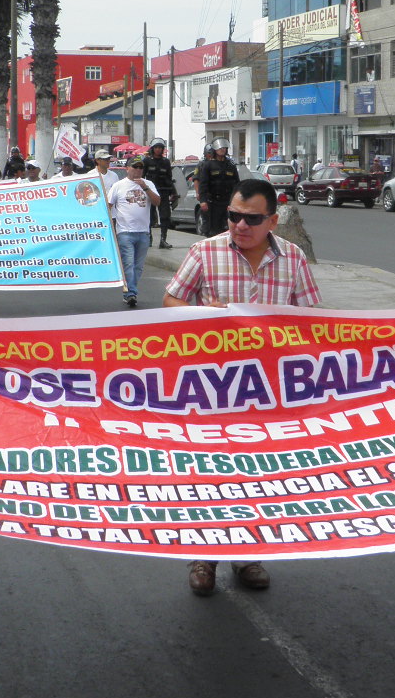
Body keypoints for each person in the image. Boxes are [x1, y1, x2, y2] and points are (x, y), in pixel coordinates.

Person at [164, 178, 321, 595]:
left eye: (251, 218)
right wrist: (202, 314)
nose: (239, 225)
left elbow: (312, 320)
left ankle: (247, 553)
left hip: (270, 390)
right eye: (234, 216)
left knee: (255, 471)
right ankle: (203, 557)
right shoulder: (205, 252)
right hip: (212, 388)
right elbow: (171, 303)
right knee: (211, 472)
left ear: (272, 220)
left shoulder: (293, 258)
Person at [107, 157, 159, 307]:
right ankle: (131, 293)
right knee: (128, 263)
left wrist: (145, 188)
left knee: (138, 266)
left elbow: (157, 202)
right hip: (125, 231)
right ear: (127, 168)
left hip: (143, 232)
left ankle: (130, 290)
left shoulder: (148, 184)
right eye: (135, 167)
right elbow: (108, 205)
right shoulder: (118, 186)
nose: (138, 170)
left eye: (140, 167)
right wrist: (109, 224)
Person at [195, 138, 240, 237]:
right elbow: (203, 184)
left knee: (228, 228)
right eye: (220, 148)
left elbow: (237, 183)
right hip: (213, 202)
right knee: (212, 229)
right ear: (214, 149)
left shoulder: (231, 165)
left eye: (224, 147)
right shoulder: (208, 165)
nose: (222, 149)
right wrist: (203, 200)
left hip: (227, 201)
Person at [143, 139, 176, 249]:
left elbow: (169, 178)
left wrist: (173, 192)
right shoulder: (147, 161)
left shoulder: (166, 162)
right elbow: (142, 177)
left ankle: (163, 240)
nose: (158, 149)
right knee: (149, 216)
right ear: (152, 149)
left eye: (160, 148)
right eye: (156, 147)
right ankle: (149, 238)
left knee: (165, 216)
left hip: (163, 191)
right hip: (150, 192)